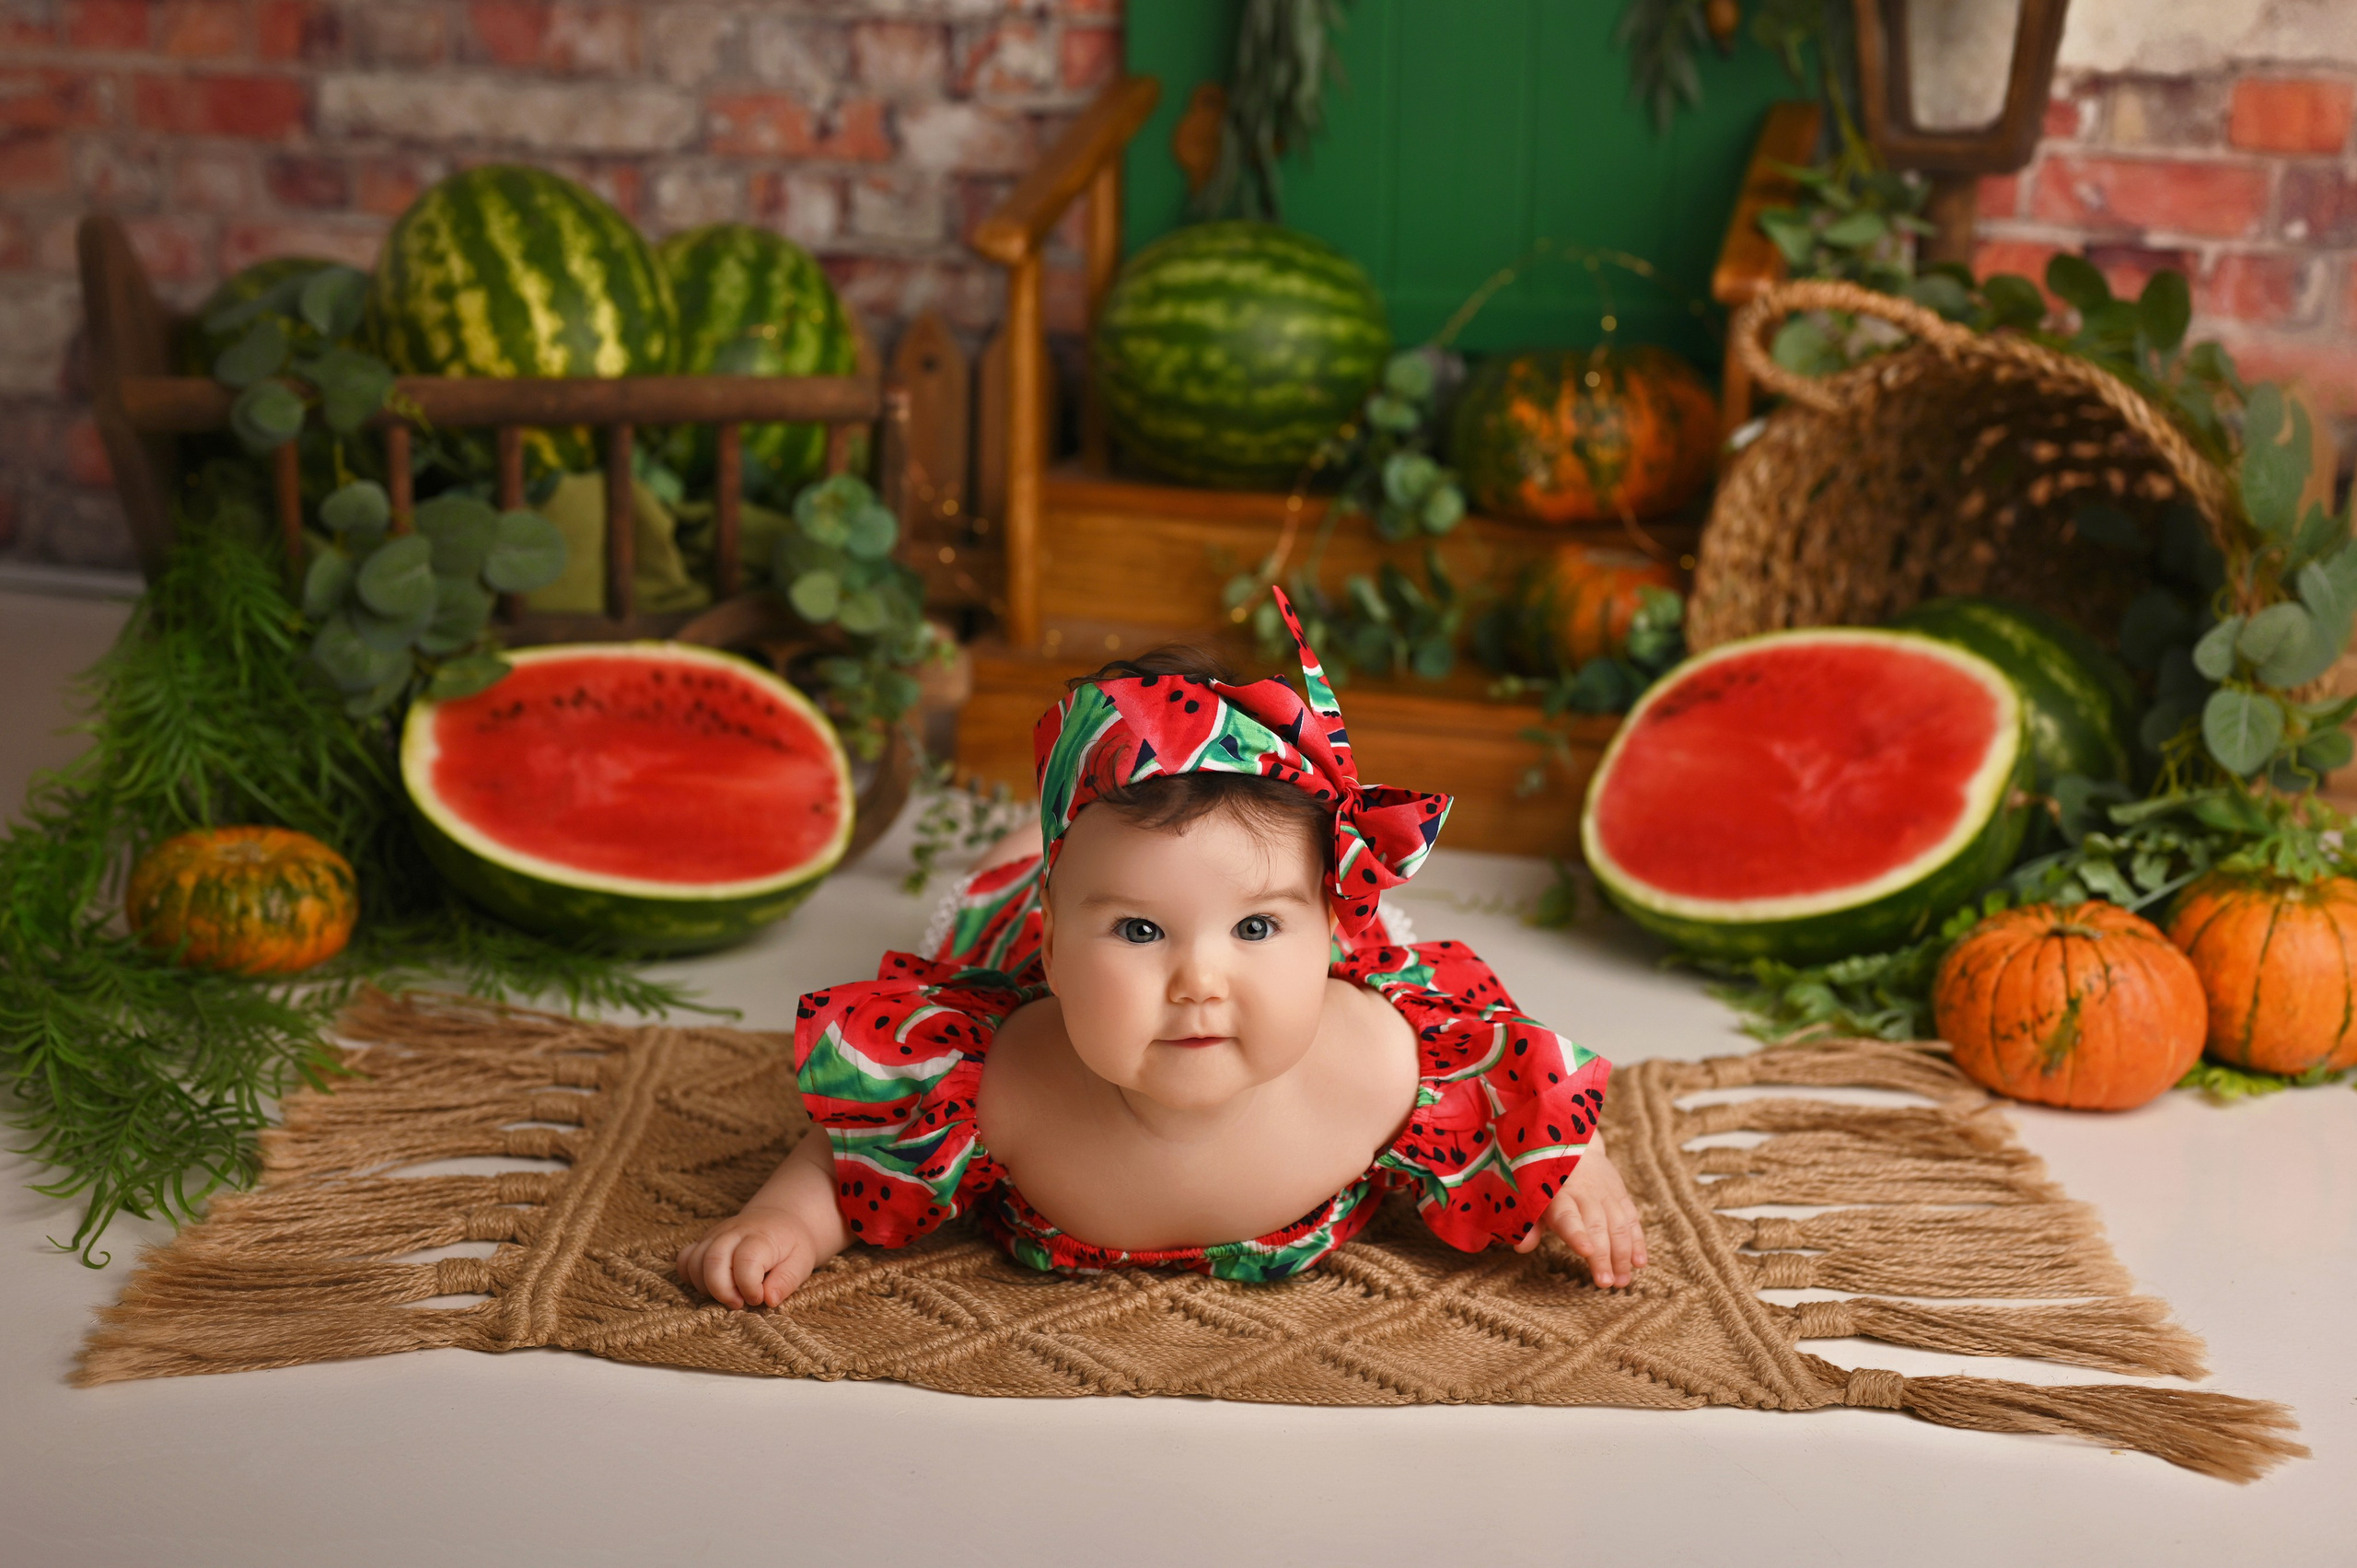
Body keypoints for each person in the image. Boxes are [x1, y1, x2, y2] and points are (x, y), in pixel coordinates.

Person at [678, 590, 1646, 1307]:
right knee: (1010, 880)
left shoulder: (1374, 1061)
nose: (1198, 981)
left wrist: (1576, 1168)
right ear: (1059, 949)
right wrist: (786, 1219)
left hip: (1224, 922)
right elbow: (852, 1149)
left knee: (1219, 890)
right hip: (1030, 911)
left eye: (1256, 928)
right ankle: (1028, 858)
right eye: (1140, 932)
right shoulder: (1007, 1078)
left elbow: (1506, 1073)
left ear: (1326, 930)